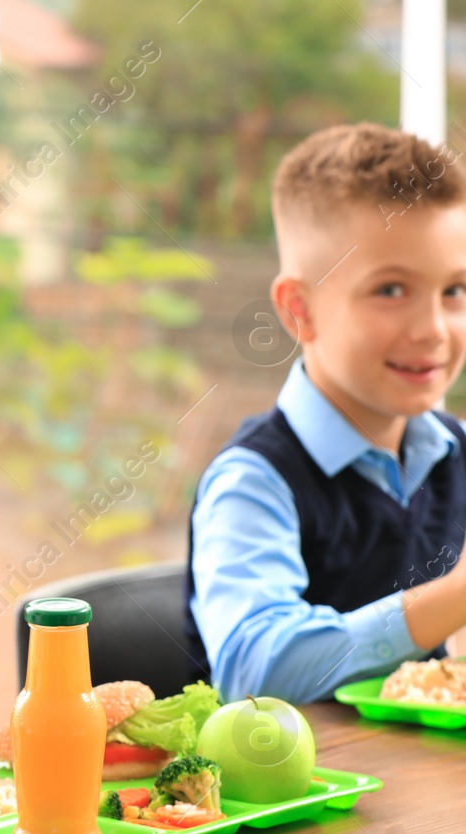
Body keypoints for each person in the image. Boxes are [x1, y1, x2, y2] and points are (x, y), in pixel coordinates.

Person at [186, 123, 466, 704]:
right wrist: (454, 597)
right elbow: (256, 672)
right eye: (391, 290)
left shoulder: (456, 449)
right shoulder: (254, 482)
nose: (433, 330)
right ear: (298, 310)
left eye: (455, 291)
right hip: (305, 791)